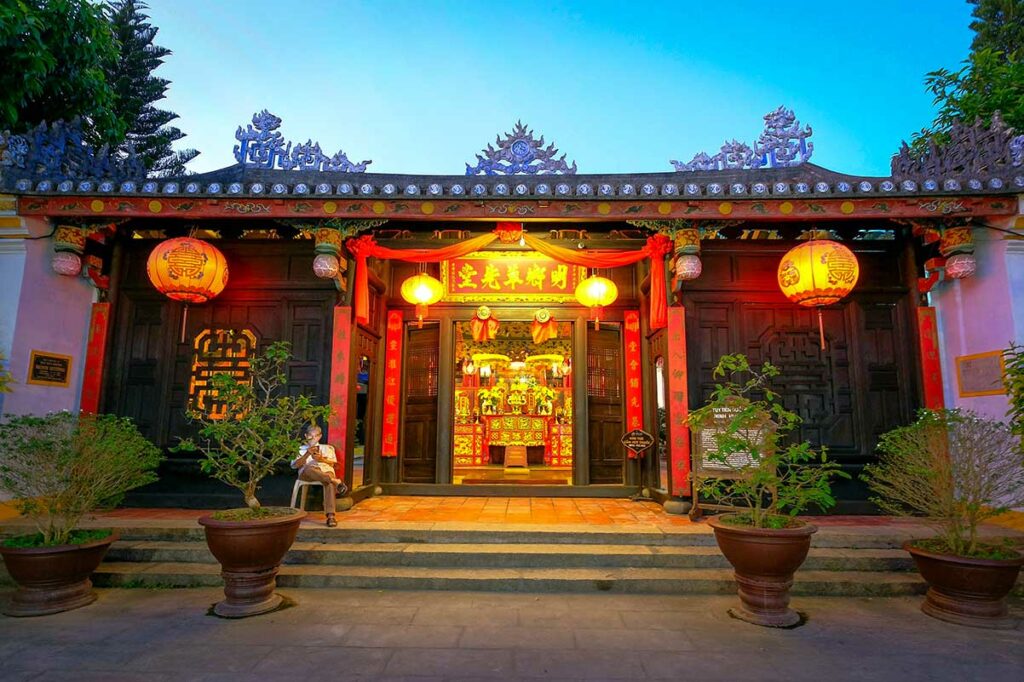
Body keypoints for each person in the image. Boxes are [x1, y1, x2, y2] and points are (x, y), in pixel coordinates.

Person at [291, 424, 348, 527]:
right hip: (308, 473)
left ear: (320, 436)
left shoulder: (328, 448)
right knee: (309, 468)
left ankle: (331, 516)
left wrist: (321, 459)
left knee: (328, 482)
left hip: (325, 471)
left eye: (316, 436)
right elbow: (294, 466)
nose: (313, 438)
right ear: (306, 435)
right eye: (310, 436)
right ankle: (336, 482)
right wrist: (307, 454)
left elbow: (333, 464)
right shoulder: (300, 448)